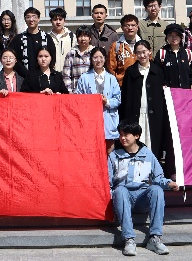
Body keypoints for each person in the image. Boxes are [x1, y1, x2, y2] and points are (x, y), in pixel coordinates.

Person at [109, 122, 178, 257]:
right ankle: (129, 239)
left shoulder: (148, 154)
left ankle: (155, 238)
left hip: (142, 198)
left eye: (126, 135)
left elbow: (158, 177)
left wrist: (169, 184)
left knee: (156, 190)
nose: (122, 138)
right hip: (122, 197)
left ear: (137, 136)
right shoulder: (114, 156)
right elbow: (108, 182)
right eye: (121, 135)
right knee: (120, 190)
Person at [119, 40, 168, 161]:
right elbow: (125, 96)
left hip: (154, 116)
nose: (142, 55)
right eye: (138, 53)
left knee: (153, 143)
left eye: (144, 52)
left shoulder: (157, 71)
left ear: (150, 52)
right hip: (136, 115)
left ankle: (152, 168)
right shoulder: (131, 72)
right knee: (136, 143)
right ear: (135, 54)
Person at [75, 46, 121, 153]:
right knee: (91, 151)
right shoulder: (84, 78)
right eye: (95, 57)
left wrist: (107, 101)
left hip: (108, 119)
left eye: (101, 57)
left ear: (105, 59)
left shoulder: (111, 78)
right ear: (91, 59)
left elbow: (117, 99)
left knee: (109, 151)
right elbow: (78, 98)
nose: (98, 60)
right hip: (90, 119)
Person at [13, 7, 57, 78]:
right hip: (24, 78)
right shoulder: (18, 39)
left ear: (39, 19)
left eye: (34, 17)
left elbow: (52, 57)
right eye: (28, 17)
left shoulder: (47, 38)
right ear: (25, 19)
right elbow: (14, 58)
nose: (31, 20)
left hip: (43, 77)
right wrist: (26, 74)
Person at [154, 23, 192, 90]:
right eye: (170, 35)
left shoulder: (188, 53)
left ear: (181, 37)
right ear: (167, 37)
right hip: (168, 92)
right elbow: (157, 73)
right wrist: (162, 84)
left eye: (177, 35)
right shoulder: (162, 53)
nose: (174, 38)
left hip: (186, 92)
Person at [108, 14, 141, 86]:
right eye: (127, 25)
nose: (130, 28)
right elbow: (111, 67)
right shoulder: (116, 46)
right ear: (122, 27)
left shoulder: (143, 45)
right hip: (122, 84)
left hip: (140, 83)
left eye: (133, 25)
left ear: (137, 27)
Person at [62, 25, 94, 93]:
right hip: (76, 92)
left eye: (85, 36)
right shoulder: (71, 53)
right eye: (80, 36)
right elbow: (66, 75)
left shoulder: (94, 53)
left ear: (90, 38)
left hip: (91, 91)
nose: (83, 39)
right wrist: (70, 91)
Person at [48, 7, 76, 74]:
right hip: (52, 74)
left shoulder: (72, 37)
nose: (58, 22)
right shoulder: (47, 37)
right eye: (55, 19)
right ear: (51, 21)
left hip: (69, 73)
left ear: (64, 21)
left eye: (60, 19)